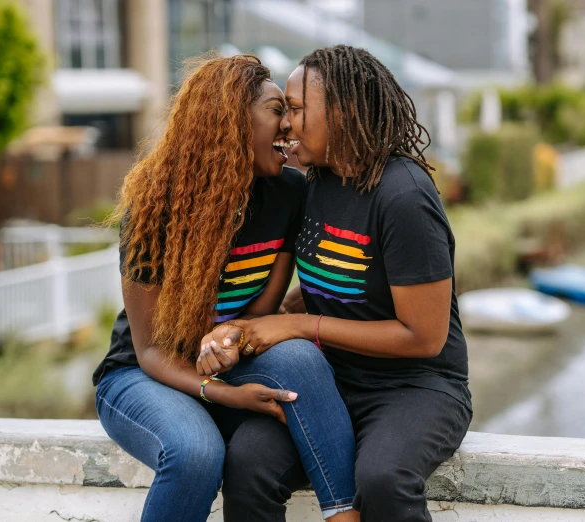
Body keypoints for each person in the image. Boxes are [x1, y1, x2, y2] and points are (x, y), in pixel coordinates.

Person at [209, 45, 472, 522]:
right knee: (247, 464)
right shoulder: (315, 183)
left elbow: (425, 336)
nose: (284, 123)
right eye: (282, 109)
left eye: (295, 108)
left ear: (344, 110)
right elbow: (338, 283)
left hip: (416, 388)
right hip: (330, 383)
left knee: (383, 481)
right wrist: (259, 323)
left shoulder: (403, 195)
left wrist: (298, 325)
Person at [92, 54, 357, 522]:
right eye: (278, 109)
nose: (288, 127)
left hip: (228, 362)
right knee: (196, 453)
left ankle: (343, 513)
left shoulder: (289, 194)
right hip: (143, 375)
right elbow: (152, 351)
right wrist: (226, 394)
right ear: (232, 118)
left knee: (300, 356)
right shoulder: (154, 208)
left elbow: (258, 313)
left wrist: (230, 341)